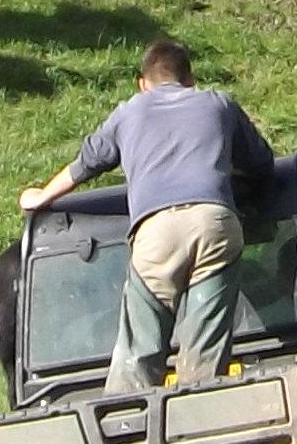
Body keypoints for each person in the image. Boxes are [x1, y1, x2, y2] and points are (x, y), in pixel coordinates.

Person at [19, 38, 275, 396]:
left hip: (156, 230)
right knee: (206, 346)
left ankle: (127, 422)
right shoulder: (219, 104)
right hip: (214, 220)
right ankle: (202, 411)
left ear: (143, 82)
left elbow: (88, 162)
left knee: (140, 351)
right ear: (191, 79)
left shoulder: (130, 112)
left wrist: (42, 195)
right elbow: (263, 166)